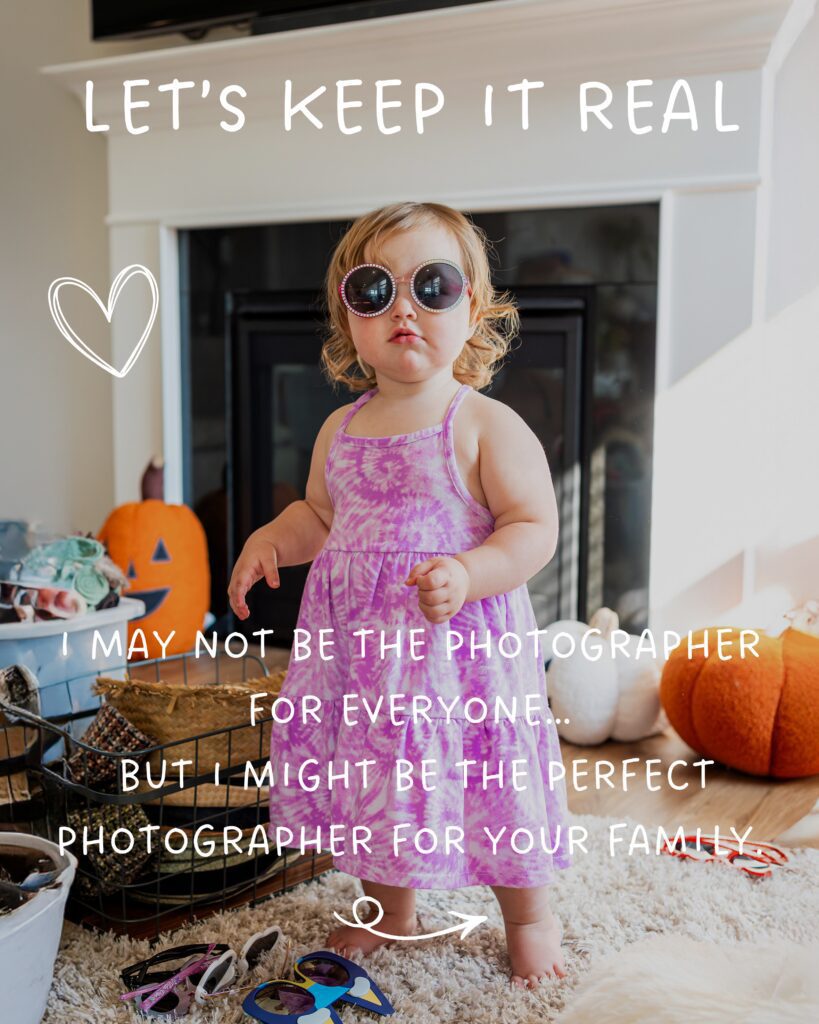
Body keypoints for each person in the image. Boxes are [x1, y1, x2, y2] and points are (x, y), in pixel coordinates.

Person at [228, 201, 571, 988]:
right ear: (348, 316)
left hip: (461, 662)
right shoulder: (339, 429)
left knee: (489, 777)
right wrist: (273, 541)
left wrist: (469, 573)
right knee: (381, 781)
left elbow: (532, 526)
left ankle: (529, 916)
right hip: (367, 664)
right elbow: (319, 514)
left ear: (472, 308)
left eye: (433, 285)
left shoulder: (482, 423)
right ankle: (389, 906)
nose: (404, 307)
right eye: (374, 290)